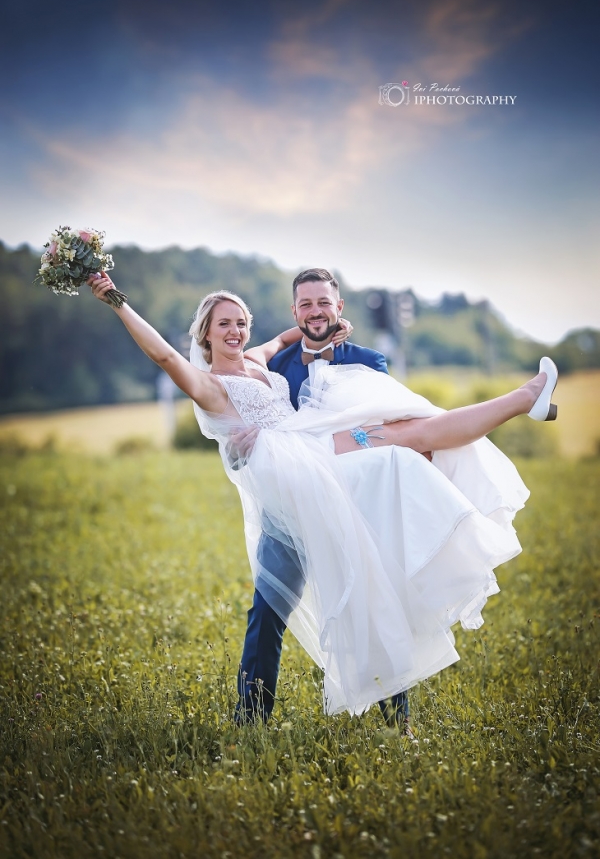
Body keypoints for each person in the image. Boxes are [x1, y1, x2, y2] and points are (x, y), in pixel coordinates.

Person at [86, 271, 558, 723]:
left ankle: (524, 400)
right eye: (223, 324)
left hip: (311, 451)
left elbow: (283, 338)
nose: (235, 331)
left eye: (241, 322)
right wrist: (116, 301)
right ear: (204, 334)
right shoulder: (208, 385)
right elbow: (165, 357)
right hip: (293, 470)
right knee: (272, 607)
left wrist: (327, 324)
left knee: (409, 447)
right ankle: (250, 721)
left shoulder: (258, 361)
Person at [236, 269, 412, 733]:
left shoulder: (369, 361)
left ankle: (398, 723)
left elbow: (381, 428)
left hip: (350, 507)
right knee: (266, 610)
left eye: (324, 303)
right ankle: (250, 723)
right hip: (288, 509)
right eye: (306, 304)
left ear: (339, 308)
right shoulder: (273, 369)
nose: (316, 311)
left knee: (372, 607)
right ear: (294, 311)